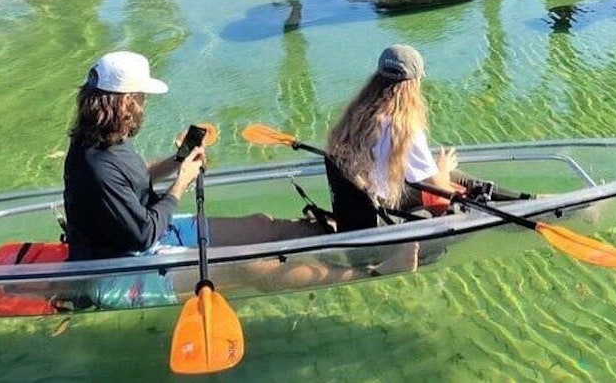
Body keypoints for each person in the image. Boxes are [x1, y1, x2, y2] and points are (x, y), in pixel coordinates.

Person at [63, 50, 410, 309]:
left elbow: (136, 180)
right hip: (119, 271)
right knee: (250, 267)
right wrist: (182, 183)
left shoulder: (104, 140)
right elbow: (141, 236)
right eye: (140, 99)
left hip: (152, 235)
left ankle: (348, 245)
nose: (143, 105)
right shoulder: (95, 165)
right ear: (124, 101)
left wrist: (177, 161)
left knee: (263, 224)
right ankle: (372, 272)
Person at [326, 44, 461, 233]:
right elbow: (441, 191)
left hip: (358, 215)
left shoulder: (353, 118)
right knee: (456, 190)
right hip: (384, 221)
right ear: (414, 83)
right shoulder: (404, 130)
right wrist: (444, 168)